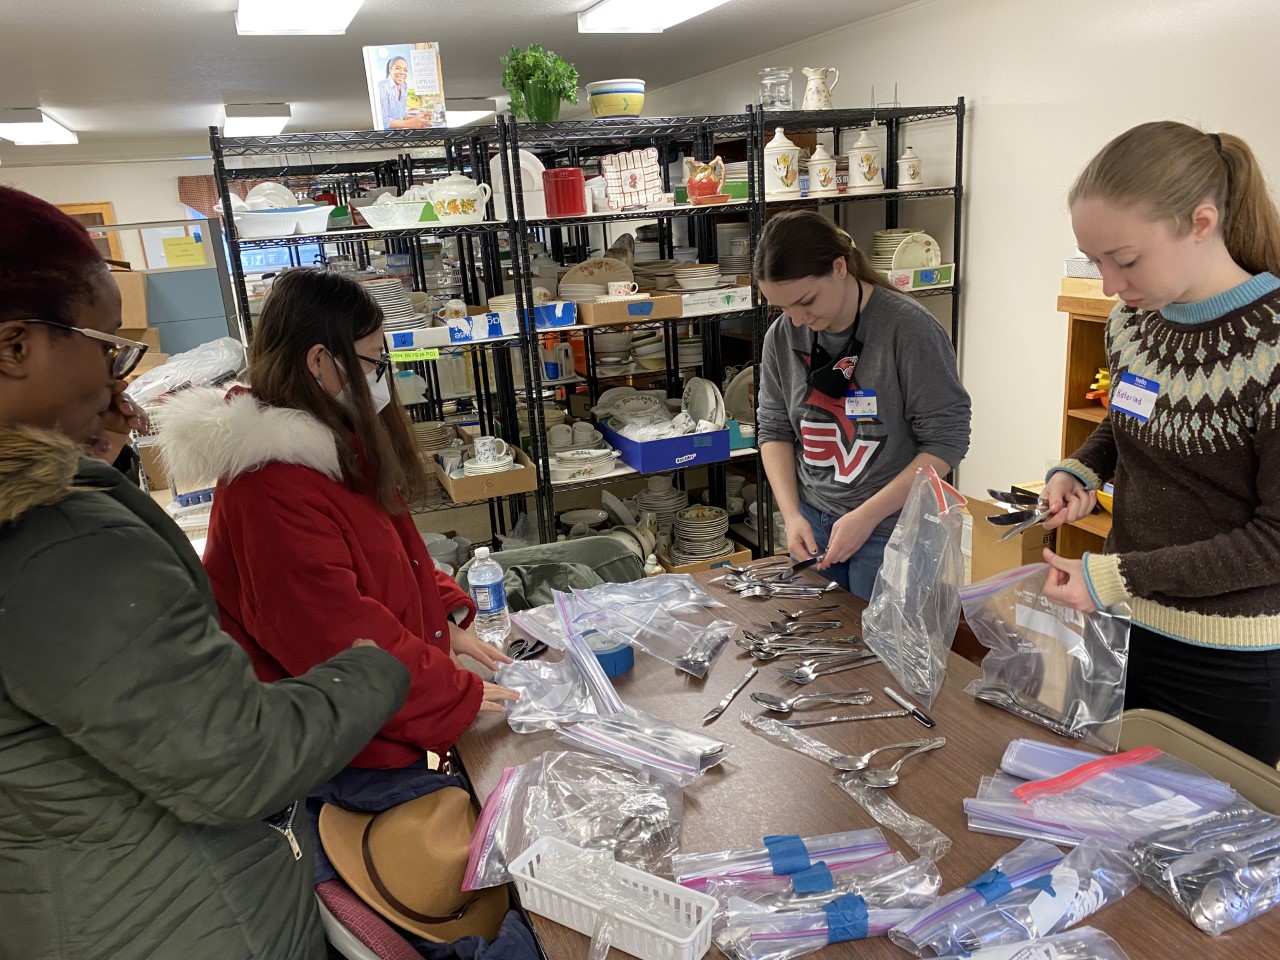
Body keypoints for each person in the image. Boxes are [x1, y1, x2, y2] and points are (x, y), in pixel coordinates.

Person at [0, 186, 412, 959]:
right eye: (105, 346)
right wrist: (389, 659)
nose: (118, 380)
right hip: (174, 919)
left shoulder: (54, 514)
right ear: (15, 347)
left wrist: (92, 460)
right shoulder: (56, 542)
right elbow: (235, 761)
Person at [156, 268, 519, 779]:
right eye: (374, 362)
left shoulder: (328, 447)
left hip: (371, 712)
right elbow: (336, 634)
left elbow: (391, 551)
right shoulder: (271, 485)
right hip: (338, 743)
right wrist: (456, 692)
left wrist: (445, 614)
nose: (382, 377)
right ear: (320, 361)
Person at [1042, 120, 1280, 766]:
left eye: (1125, 260)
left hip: (1224, 659)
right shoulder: (1132, 324)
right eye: (1095, 263)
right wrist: (1081, 469)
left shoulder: (1272, 349)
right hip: (1118, 622)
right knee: (1091, 816)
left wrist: (1117, 576)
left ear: (1201, 222)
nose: (1112, 286)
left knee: (1199, 858)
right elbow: (1127, 420)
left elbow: (1273, 542)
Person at [754, 210, 971, 600]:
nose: (798, 320)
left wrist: (866, 516)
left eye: (805, 302)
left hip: (893, 528)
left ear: (839, 267)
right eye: (782, 308)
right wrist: (791, 515)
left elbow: (946, 443)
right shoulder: (782, 337)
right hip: (815, 522)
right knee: (828, 637)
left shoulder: (908, 329)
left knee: (882, 656)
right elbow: (774, 430)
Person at [378, 55, 426, 130]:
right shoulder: (382, 86)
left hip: (400, 133)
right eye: (398, 68)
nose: (402, 72)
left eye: (405, 70)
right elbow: (383, 121)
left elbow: (401, 115)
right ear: (390, 70)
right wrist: (409, 123)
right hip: (386, 135)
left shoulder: (404, 87)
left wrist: (419, 118)